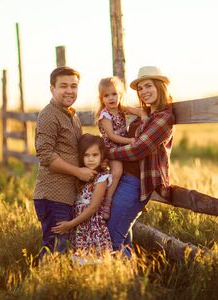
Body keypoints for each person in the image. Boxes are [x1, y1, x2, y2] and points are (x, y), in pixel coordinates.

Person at [106, 66, 175, 257]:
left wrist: (108, 153)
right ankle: (130, 278)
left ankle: (123, 282)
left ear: (160, 87)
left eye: (148, 86)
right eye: (141, 88)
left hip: (136, 183)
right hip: (124, 179)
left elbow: (139, 149)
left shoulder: (164, 118)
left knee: (112, 237)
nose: (144, 92)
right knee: (122, 235)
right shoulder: (146, 115)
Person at [33, 66, 96, 259]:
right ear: (52, 89)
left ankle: (55, 285)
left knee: (64, 249)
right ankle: (45, 287)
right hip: (53, 196)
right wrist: (78, 172)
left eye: (74, 86)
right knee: (54, 250)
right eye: (63, 86)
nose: (69, 90)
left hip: (66, 196)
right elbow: (45, 156)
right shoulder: (48, 116)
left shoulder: (72, 115)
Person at [52, 134, 113, 256]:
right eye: (86, 155)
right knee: (79, 259)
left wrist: (70, 224)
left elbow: (93, 207)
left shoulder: (102, 178)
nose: (91, 159)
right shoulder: (82, 175)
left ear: (102, 156)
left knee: (92, 258)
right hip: (80, 227)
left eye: (95, 155)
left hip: (91, 227)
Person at [95, 76, 146, 220]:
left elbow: (138, 111)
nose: (111, 98)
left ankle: (132, 199)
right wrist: (129, 140)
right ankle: (107, 202)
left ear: (120, 95)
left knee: (130, 172)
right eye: (106, 95)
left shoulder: (121, 108)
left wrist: (143, 115)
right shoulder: (105, 115)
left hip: (122, 146)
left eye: (114, 94)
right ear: (101, 99)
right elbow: (111, 136)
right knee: (117, 172)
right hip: (111, 148)